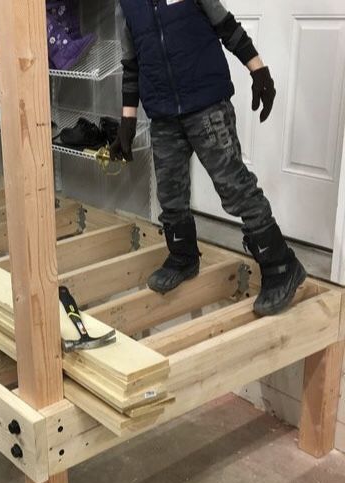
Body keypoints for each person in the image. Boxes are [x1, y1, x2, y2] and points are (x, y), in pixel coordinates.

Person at [110, 0, 306, 316]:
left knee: (235, 187)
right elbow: (131, 65)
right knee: (170, 193)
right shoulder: (125, 4)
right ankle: (183, 257)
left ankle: (281, 265)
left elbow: (225, 26)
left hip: (207, 107)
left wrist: (259, 71)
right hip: (163, 116)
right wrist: (127, 122)